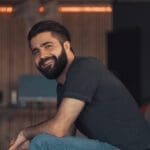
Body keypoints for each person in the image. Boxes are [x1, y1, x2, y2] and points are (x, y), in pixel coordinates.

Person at [9, 20, 150, 150]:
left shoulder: (84, 68)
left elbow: (59, 127)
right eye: (36, 51)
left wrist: (25, 133)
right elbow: (63, 135)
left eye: (48, 46)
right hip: (111, 147)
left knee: (41, 142)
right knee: (41, 142)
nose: (42, 56)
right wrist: (29, 144)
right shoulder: (63, 86)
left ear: (66, 46)